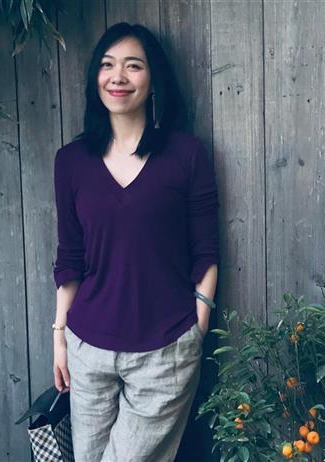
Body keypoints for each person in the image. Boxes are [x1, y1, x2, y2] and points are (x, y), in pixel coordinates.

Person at [52, 22, 219, 462]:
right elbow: (70, 256)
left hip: (165, 350)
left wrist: (197, 326)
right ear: (96, 77)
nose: (118, 77)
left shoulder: (187, 156)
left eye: (133, 66)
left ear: (153, 79)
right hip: (88, 349)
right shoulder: (71, 161)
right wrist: (60, 337)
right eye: (107, 65)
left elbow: (206, 250)